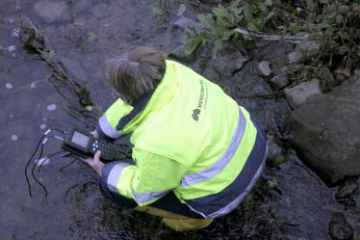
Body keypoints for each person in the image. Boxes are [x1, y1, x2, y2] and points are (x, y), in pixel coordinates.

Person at [82, 46, 268, 231]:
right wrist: (99, 133)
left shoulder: (156, 141)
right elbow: (132, 103)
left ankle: (194, 220)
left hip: (220, 195)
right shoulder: (173, 71)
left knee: (112, 187)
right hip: (255, 143)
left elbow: (145, 192)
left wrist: (105, 171)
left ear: (124, 94)